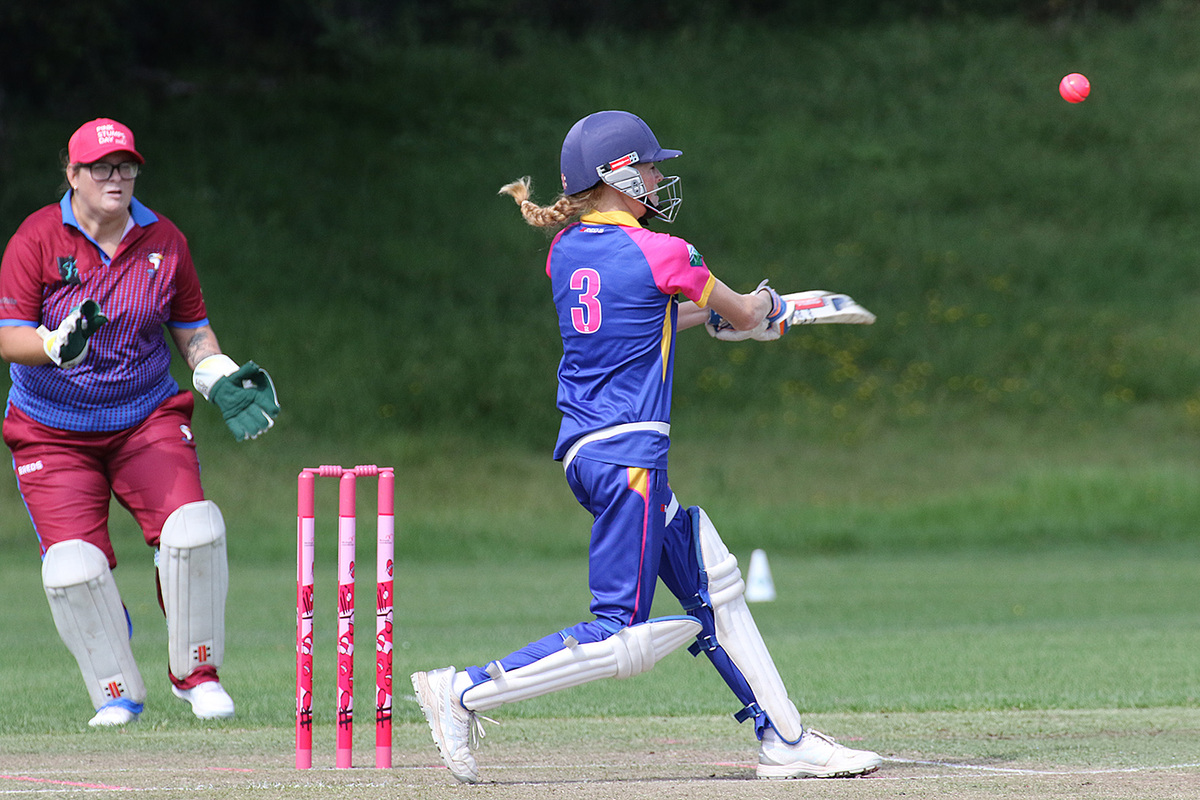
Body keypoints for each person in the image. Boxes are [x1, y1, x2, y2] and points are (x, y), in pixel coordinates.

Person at [410, 110, 882, 782]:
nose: (661, 178)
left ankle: (785, 738)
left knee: (712, 582)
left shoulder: (565, 250)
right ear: (617, 175)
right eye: (651, 167)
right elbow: (743, 311)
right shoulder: (668, 252)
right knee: (620, 635)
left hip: (591, 451)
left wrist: (721, 315)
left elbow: (644, 318)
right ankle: (461, 691)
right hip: (629, 454)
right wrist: (766, 310)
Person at [0, 118, 280, 727]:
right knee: (75, 569)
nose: (116, 177)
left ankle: (197, 676)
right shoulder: (37, 238)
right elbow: (9, 335)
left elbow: (192, 329)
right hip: (51, 426)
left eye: (125, 166)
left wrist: (216, 375)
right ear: (72, 175)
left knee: (194, 532)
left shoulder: (164, 239)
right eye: (100, 167)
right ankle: (116, 694)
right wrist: (52, 346)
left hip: (143, 414)